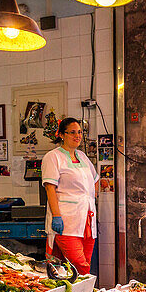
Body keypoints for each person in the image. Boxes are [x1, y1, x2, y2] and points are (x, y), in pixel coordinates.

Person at [42, 118, 97, 275]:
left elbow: (95, 180)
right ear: (61, 135)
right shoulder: (53, 157)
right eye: (72, 132)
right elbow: (50, 188)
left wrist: (90, 202)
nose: (77, 136)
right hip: (65, 222)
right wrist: (57, 216)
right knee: (81, 266)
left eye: (79, 132)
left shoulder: (82, 156)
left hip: (87, 221)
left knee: (85, 264)